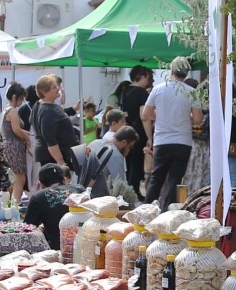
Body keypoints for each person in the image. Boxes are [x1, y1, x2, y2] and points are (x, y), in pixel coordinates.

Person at [143, 57, 203, 210]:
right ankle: (168, 213)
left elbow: (146, 115)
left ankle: (145, 212)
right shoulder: (192, 92)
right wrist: (185, 116)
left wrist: (161, 114)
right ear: (187, 74)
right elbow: (197, 119)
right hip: (183, 141)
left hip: (162, 139)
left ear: (171, 71)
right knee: (175, 180)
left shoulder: (158, 89)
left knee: (157, 178)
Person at [23, 164, 81, 249]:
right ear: (64, 180)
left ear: (41, 185)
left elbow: (27, 229)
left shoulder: (38, 197)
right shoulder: (81, 190)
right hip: (85, 247)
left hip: (57, 250)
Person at [79, 125, 139, 205]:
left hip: (80, 190)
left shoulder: (94, 142)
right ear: (124, 142)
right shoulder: (116, 155)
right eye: (130, 147)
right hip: (96, 200)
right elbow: (121, 188)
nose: (129, 151)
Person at [32, 74, 78, 175]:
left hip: (53, 154)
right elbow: (50, 139)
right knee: (55, 186)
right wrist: (60, 163)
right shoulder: (48, 110)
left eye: (57, 86)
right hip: (52, 157)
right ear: (44, 92)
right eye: (54, 87)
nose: (58, 89)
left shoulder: (42, 105)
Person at [120, 67, 154, 199]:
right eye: (148, 77)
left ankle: (129, 190)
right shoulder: (142, 93)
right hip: (139, 131)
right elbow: (143, 116)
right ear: (142, 76)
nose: (149, 80)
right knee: (137, 162)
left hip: (127, 130)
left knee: (129, 162)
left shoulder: (126, 91)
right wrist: (149, 136)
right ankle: (133, 191)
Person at [1, 83, 31, 204]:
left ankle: (13, 201)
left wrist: (27, 133)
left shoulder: (6, 110)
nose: (22, 102)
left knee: (15, 177)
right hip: (14, 146)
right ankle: (16, 203)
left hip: (9, 144)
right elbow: (16, 130)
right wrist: (27, 138)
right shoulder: (12, 111)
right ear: (14, 97)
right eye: (21, 99)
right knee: (20, 178)